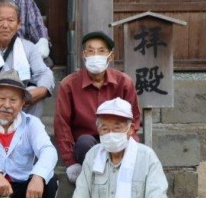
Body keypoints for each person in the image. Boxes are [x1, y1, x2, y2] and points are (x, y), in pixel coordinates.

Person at [54, 31, 141, 183]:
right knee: (85, 142)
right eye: (90, 51)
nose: (96, 55)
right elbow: (62, 125)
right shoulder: (69, 84)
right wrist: (70, 162)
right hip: (86, 144)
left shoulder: (123, 82)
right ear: (84, 55)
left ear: (110, 56)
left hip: (117, 137)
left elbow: (134, 120)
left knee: (131, 145)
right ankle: (100, 183)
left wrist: (130, 141)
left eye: (101, 51)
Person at [0, 0, 54, 117]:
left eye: (11, 20)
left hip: (18, 101)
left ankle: (27, 133)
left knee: (35, 94)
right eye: (0, 20)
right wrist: (4, 94)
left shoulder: (29, 47)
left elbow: (44, 72)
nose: (5, 25)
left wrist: (42, 90)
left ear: (18, 24)